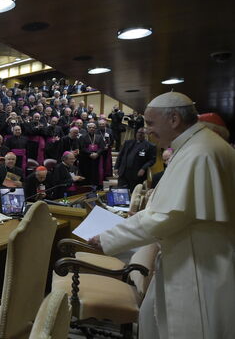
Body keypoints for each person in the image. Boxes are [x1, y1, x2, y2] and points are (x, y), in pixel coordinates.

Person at [89, 92, 235, 339]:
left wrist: (107, 237)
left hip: (199, 265)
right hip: (185, 256)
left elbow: (167, 216)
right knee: (152, 319)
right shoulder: (194, 146)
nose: (146, 130)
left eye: (150, 122)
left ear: (174, 119)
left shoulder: (199, 151)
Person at [115, 127, 156, 191]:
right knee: (121, 192)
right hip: (123, 172)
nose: (139, 134)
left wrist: (143, 168)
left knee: (133, 194)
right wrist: (116, 167)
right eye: (138, 132)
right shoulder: (128, 143)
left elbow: (152, 160)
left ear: (146, 134)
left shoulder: (150, 146)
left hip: (137, 174)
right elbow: (120, 155)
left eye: (142, 133)